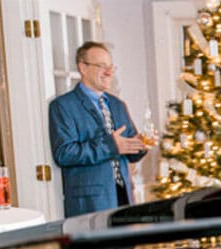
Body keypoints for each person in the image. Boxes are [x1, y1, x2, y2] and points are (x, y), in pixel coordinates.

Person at [48, 41, 147, 217]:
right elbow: (64, 153)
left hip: (123, 197)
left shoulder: (118, 104)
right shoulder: (63, 106)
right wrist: (110, 146)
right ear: (83, 68)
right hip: (90, 204)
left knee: (128, 246)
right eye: (101, 66)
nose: (108, 72)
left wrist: (142, 143)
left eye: (111, 67)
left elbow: (131, 153)